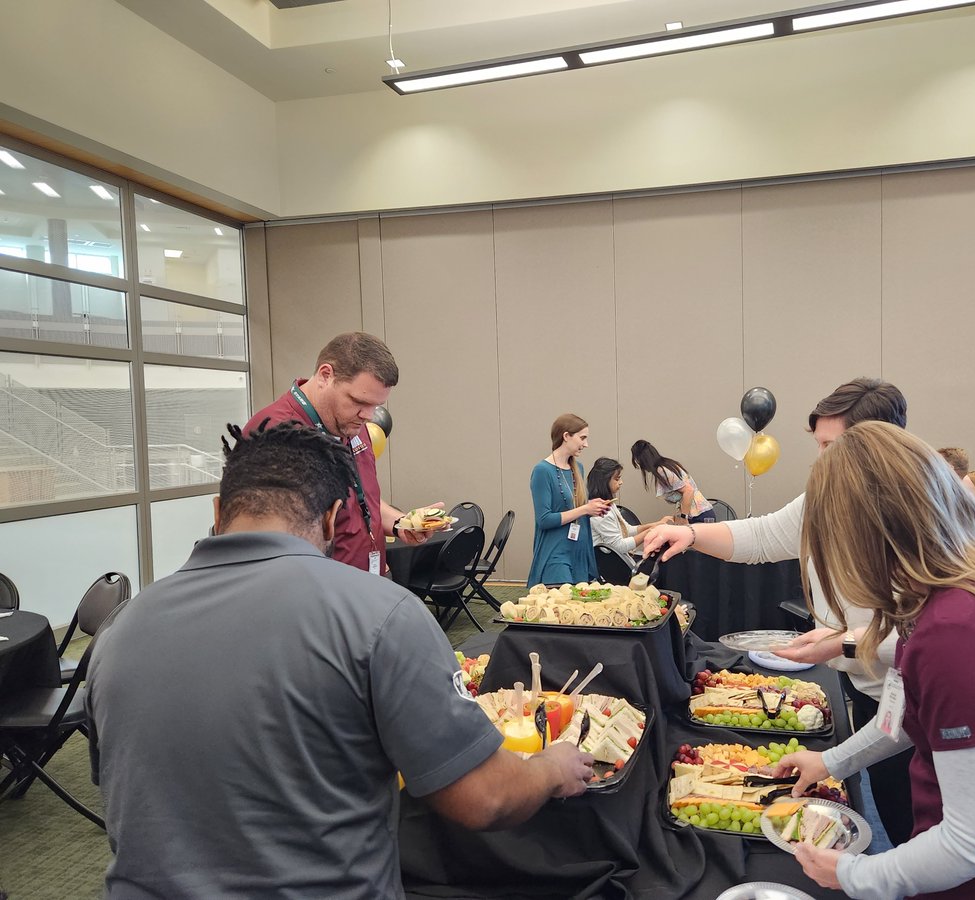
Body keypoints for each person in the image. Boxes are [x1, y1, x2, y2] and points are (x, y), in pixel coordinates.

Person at [86, 421, 594, 900]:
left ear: (218, 512)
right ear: (333, 518)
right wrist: (551, 768)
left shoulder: (118, 630)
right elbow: (485, 798)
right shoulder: (383, 614)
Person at [773, 422, 975, 900]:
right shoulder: (968, 586)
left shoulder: (961, 631)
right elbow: (906, 712)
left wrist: (854, 875)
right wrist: (831, 761)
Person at [641, 377, 916, 844]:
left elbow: (926, 645)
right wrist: (693, 536)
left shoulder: (910, 520)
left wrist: (840, 642)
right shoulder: (826, 498)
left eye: (832, 446)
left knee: (915, 822)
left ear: (876, 445)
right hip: (872, 690)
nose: (822, 458)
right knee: (891, 806)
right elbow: (764, 536)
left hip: (916, 702)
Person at [245, 332, 436, 576]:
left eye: (375, 406)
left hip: (368, 582)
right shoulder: (273, 434)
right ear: (326, 375)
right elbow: (266, 541)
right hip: (322, 595)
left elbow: (360, 498)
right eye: (359, 401)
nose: (368, 415)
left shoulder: (352, 423)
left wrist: (402, 524)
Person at [528, 413, 607, 587]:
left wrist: (594, 510)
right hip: (555, 553)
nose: (586, 444)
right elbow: (544, 520)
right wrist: (585, 509)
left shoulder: (578, 468)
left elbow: (575, 511)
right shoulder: (542, 471)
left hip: (579, 550)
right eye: (582, 438)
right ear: (566, 436)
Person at [586, 457, 673, 570]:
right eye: (617, 479)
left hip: (619, 562)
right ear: (604, 481)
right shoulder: (600, 512)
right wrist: (651, 531)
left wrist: (655, 525)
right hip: (612, 567)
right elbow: (619, 546)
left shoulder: (608, 504)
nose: (621, 482)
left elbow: (626, 530)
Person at [629, 439, 715, 523]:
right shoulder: (667, 465)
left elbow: (689, 491)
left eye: (637, 460)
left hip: (699, 516)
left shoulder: (662, 470)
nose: (638, 464)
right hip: (699, 514)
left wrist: (683, 517)